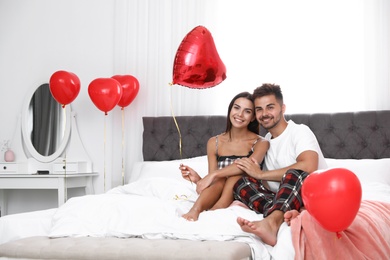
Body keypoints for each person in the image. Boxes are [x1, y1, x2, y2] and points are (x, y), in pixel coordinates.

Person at [233, 83, 327, 246]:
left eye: (270, 107)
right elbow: (259, 181)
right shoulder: (264, 142)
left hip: (313, 196)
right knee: (242, 183)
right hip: (283, 200)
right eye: (259, 109)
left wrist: (261, 174)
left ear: (282, 108)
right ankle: (285, 212)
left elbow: (309, 166)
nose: (264, 114)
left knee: (294, 173)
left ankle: (271, 223)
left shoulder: (299, 131)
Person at [179, 91, 269, 221]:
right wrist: (199, 180)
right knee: (220, 178)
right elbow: (214, 183)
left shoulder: (261, 142)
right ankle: (195, 210)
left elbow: (247, 165)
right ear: (230, 109)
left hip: (245, 191)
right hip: (221, 192)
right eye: (236, 108)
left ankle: (217, 209)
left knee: (236, 175)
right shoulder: (214, 142)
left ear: (253, 117)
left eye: (247, 111)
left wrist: (213, 175)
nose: (239, 114)